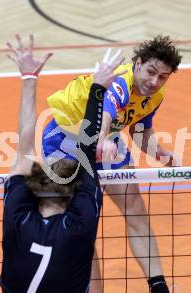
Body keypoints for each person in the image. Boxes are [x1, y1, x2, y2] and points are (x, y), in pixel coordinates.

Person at [42, 36, 182, 292]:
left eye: (162, 77)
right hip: (65, 142)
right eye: (151, 72)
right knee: (82, 225)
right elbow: (106, 111)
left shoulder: (155, 96)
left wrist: (159, 151)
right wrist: (103, 138)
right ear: (137, 64)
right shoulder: (121, 82)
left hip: (106, 142)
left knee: (135, 205)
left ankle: (158, 285)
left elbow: (140, 131)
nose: (154, 82)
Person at [0, 34, 125, 293]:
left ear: (34, 190)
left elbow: (24, 146)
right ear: (71, 197)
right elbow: (88, 148)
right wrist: (98, 87)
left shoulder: (19, 217)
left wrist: (28, 78)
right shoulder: (79, 227)